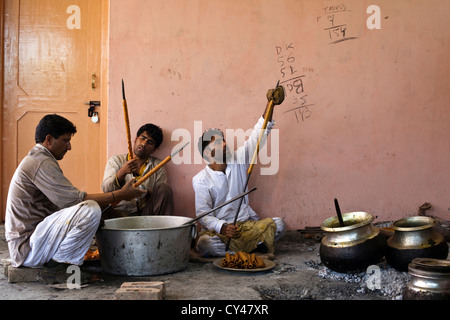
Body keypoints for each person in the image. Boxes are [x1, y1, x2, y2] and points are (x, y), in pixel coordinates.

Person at [5, 114, 146, 268]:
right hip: (27, 248)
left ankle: (62, 260)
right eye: (65, 140)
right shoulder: (40, 162)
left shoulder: (42, 159)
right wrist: (120, 195)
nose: (69, 147)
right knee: (90, 210)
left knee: (94, 208)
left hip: (36, 241)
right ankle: (62, 265)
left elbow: (69, 202)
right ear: (49, 139)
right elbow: (73, 200)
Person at [192, 87, 286, 257]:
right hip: (221, 231)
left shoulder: (239, 159)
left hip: (245, 226)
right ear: (208, 153)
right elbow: (202, 215)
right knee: (205, 244)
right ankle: (251, 249)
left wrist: (270, 104)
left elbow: (260, 133)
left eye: (224, 141)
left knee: (279, 224)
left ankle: (238, 251)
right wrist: (222, 227)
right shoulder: (200, 179)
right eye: (219, 143)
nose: (226, 145)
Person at [101, 123, 174, 217]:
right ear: (135, 139)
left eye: (150, 142)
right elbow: (106, 189)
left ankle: (158, 230)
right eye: (142, 138)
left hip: (146, 216)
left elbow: (160, 195)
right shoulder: (116, 161)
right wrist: (122, 173)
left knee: (165, 188)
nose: (144, 144)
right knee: (98, 206)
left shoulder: (158, 166)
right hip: (120, 214)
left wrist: (145, 192)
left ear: (154, 149)